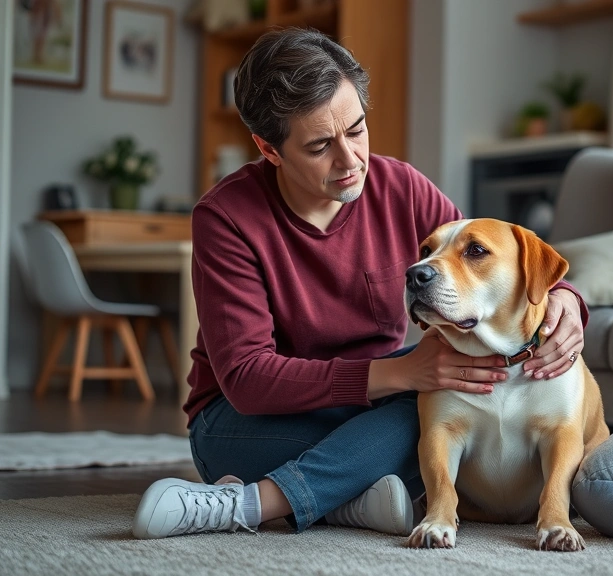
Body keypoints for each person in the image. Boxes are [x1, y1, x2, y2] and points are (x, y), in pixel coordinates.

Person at [132, 27, 588, 540]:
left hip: (376, 402)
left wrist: (564, 298)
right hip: (246, 420)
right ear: (269, 148)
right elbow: (247, 377)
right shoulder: (226, 218)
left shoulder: (401, 187)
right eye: (321, 145)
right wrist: (400, 375)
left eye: (356, 130)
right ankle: (252, 505)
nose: (350, 161)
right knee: (421, 415)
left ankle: (335, 499)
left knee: (436, 412)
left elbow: (485, 263)